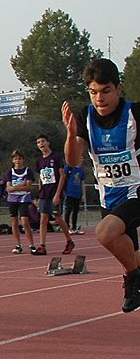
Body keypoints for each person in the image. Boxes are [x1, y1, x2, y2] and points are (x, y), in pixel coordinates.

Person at [62, 58, 140, 313]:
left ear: (118, 88)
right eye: (93, 92)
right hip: (110, 196)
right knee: (132, 257)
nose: (100, 98)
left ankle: (133, 278)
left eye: (105, 91)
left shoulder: (135, 114)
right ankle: (134, 276)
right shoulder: (86, 117)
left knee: (105, 233)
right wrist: (70, 134)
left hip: (137, 190)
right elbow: (74, 160)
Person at [34, 134, 74, 255]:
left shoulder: (56, 157)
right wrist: (39, 194)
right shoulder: (39, 161)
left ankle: (69, 240)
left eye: (43, 141)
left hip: (54, 192)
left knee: (57, 218)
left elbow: (62, 175)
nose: (41, 144)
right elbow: (41, 178)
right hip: (44, 194)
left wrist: (57, 194)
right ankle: (42, 245)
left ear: (48, 142)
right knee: (43, 219)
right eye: (38, 142)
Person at [4, 150, 36, 255]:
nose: (18, 161)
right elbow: (9, 188)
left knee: (25, 222)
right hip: (12, 199)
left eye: (20, 158)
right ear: (13, 160)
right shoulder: (10, 172)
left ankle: (31, 244)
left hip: (24, 198)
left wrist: (15, 187)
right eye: (15, 159)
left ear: (23, 160)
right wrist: (19, 186)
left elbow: (28, 187)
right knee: (14, 222)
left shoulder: (28, 171)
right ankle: (18, 245)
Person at [63, 162, 86, 234]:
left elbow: (82, 182)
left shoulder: (81, 170)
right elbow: (63, 177)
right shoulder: (69, 167)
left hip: (77, 193)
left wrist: (83, 194)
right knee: (68, 210)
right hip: (69, 192)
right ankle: (67, 227)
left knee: (76, 211)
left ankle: (74, 227)